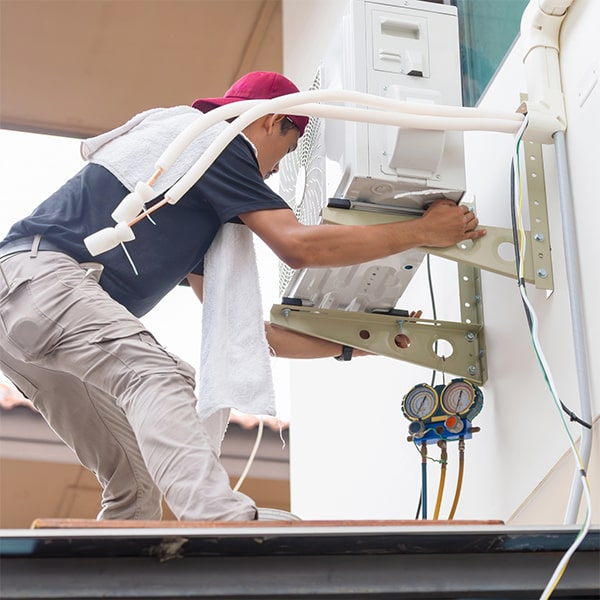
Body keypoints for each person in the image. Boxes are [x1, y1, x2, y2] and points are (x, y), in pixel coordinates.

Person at [0, 71, 485, 522]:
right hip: (42, 280)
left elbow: (248, 334)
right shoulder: (219, 141)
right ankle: (218, 518)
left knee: (136, 478)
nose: (274, 175)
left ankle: (114, 578)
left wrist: (352, 346)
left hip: (26, 314)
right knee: (159, 377)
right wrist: (422, 230)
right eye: (288, 150)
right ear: (271, 121)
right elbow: (295, 245)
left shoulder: (186, 197)